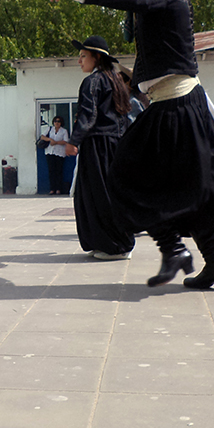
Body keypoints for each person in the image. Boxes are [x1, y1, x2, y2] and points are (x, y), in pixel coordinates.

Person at [45, 0, 214, 291]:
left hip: (178, 105)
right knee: (180, 188)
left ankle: (178, 251)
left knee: (124, 173)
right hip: (173, 104)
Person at [65, 37, 135, 260]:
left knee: (97, 195)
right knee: (111, 193)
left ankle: (114, 246)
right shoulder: (116, 80)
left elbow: (89, 114)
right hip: (115, 144)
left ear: (96, 57)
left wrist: (74, 140)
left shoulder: (93, 81)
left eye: (83, 56)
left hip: (97, 145)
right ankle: (112, 243)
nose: (79, 61)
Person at [40, 116, 69, 194]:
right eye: (55, 121)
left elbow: (65, 141)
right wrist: (50, 139)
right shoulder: (50, 129)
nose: (57, 123)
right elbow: (42, 137)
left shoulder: (64, 131)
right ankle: (52, 189)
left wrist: (56, 142)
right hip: (50, 152)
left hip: (59, 153)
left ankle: (58, 189)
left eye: (59, 121)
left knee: (59, 171)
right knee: (51, 171)